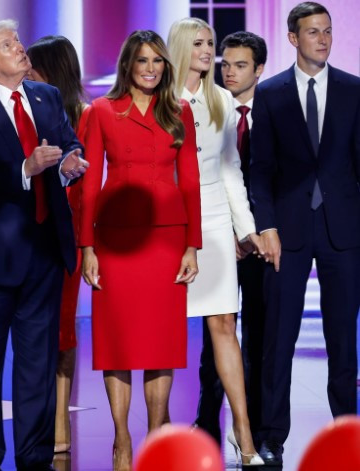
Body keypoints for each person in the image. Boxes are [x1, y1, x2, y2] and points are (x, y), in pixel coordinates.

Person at [0, 19, 88, 470]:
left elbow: (69, 142)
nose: (22, 49)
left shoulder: (45, 97)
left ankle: (34, 456)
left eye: (18, 41)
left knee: (37, 366)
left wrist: (69, 163)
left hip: (44, 253)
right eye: (9, 45)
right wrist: (25, 169)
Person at [79, 30, 201, 470]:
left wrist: (192, 244)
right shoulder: (102, 111)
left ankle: (155, 435)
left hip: (167, 238)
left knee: (160, 344)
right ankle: (122, 439)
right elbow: (90, 182)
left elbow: (189, 180)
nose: (150, 69)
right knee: (118, 343)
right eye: (142, 61)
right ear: (127, 66)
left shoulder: (178, 111)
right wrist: (87, 245)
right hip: (115, 240)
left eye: (157, 62)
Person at [250, 2, 360, 465]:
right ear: (292, 38)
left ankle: (347, 430)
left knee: (343, 338)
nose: (323, 39)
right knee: (279, 338)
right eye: (313, 32)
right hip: (287, 232)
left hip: (344, 230)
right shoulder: (271, 93)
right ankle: (273, 436)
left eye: (328, 31)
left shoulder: (355, 90)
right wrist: (266, 225)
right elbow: (260, 169)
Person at [168, 17, 264, 466]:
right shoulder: (159, 98)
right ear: (181, 48)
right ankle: (158, 431)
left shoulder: (222, 98)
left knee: (224, 326)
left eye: (211, 43)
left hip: (215, 222)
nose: (210, 51)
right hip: (167, 225)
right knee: (162, 333)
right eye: (200, 43)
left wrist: (247, 230)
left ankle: (243, 434)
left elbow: (230, 170)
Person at [194, 30, 267, 446]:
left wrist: (253, 232)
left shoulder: (273, 111)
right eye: (226, 64)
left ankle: (253, 426)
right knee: (216, 332)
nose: (230, 72)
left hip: (259, 242)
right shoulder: (208, 105)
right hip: (218, 234)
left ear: (259, 68)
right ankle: (207, 422)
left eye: (241, 65)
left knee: (257, 337)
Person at [26, 34, 90, 456]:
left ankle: (59, 421)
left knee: (64, 329)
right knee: (36, 329)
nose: (27, 72)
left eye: (33, 66)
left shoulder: (86, 117)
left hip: (70, 236)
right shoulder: (30, 112)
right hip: (33, 233)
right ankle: (42, 419)